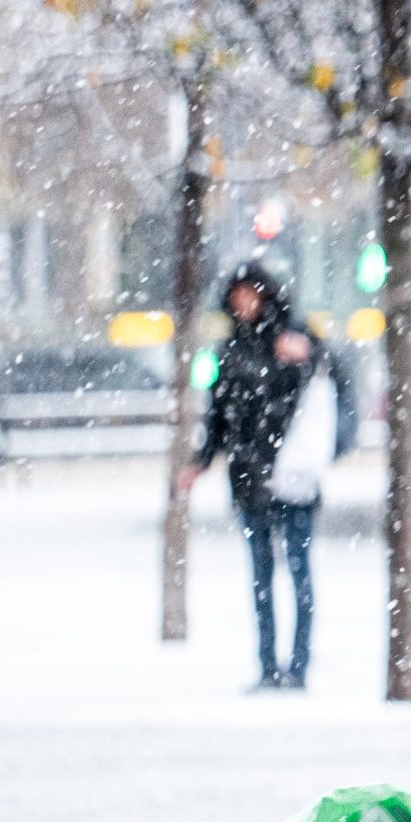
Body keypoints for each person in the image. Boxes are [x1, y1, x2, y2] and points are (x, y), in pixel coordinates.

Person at [176, 262, 321, 689]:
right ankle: (267, 666)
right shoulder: (227, 353)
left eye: (251, 294)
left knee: (298, 571)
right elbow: (218, 416)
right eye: (237, 296)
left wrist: (309, 354)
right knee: (262, 578)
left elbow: (333, 382)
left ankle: (298, 667)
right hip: (249, 479)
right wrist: (200, 462)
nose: (245, 304)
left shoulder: (296, 339)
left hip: (294, 477)